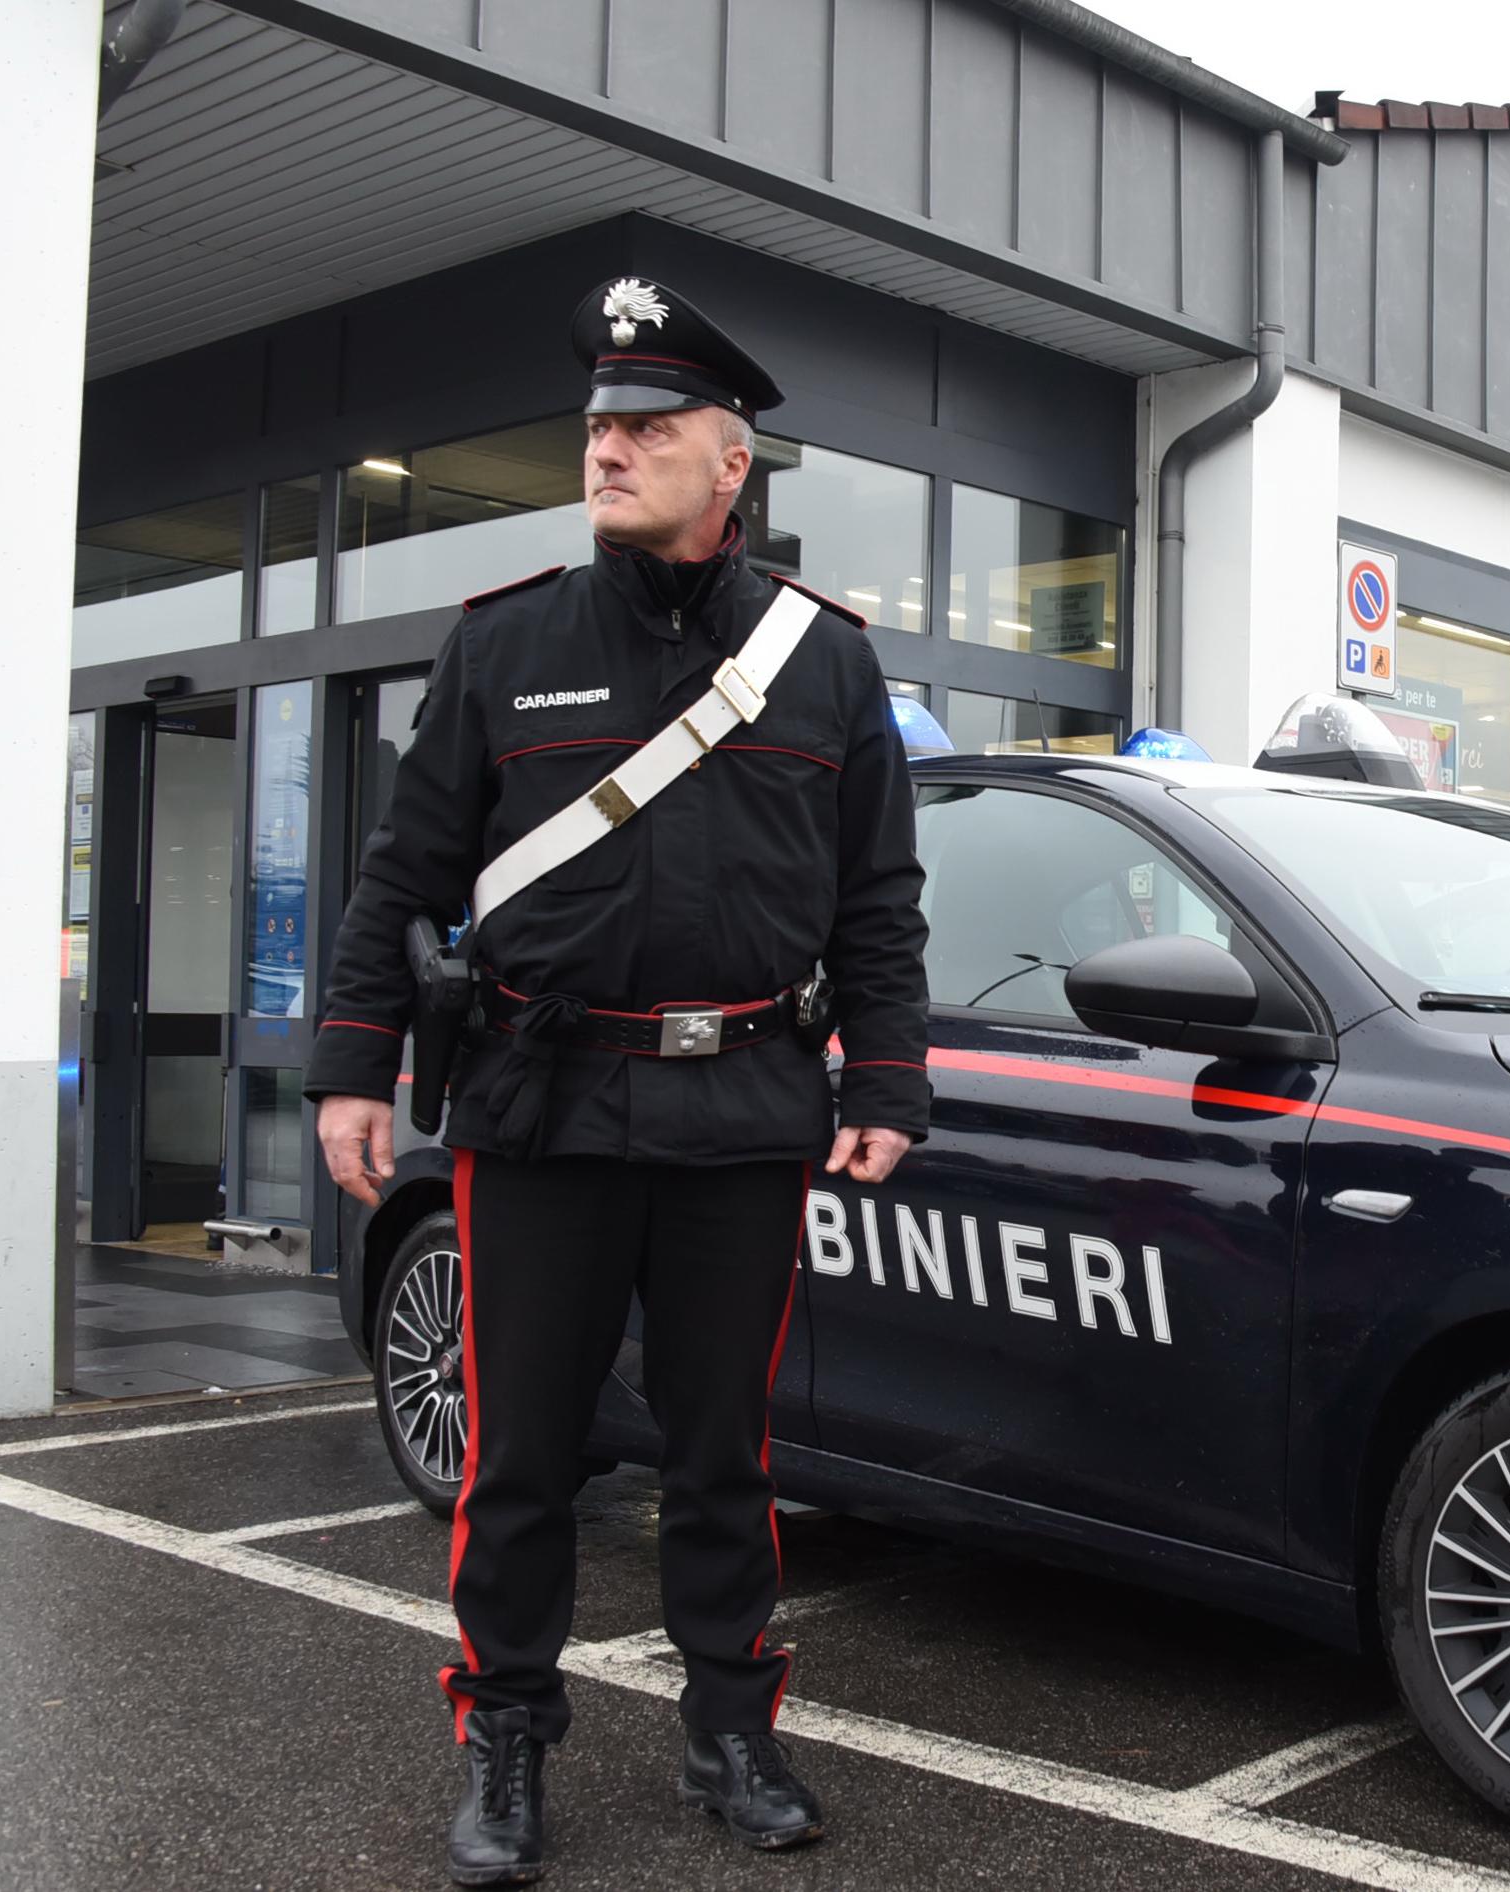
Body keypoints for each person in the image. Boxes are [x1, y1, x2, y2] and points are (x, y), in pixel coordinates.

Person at [304, 276, 931, 1886]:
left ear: (732, 465)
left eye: (649, 430)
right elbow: (398, 878)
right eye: (600, 426)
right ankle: (505, 1736)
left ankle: (732, 1729)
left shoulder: (826, 670)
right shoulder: (506, 644)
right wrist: (353, 1066)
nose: (609, 450)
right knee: (522, 1456)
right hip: (541, 1105)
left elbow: (876, 902)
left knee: (724, 1453)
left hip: (743, 1115)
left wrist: (891, 1079)